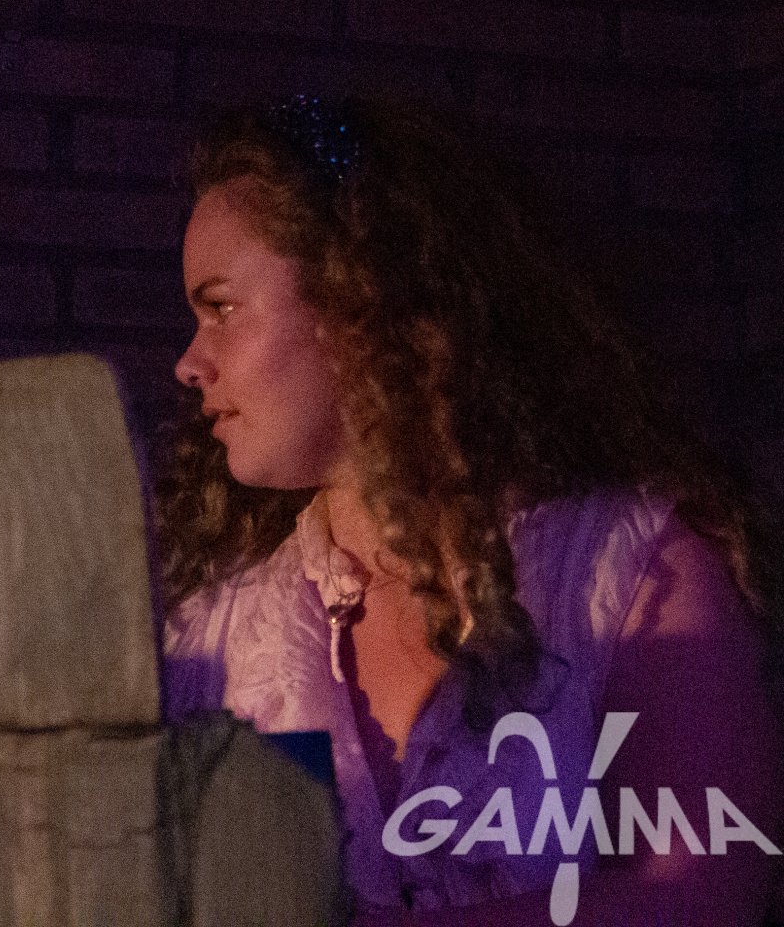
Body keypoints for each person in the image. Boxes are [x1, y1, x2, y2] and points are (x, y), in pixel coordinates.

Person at [157, 95, 782, 925]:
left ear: (360, 301)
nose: (189, 362)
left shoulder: (631, 576)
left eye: (222, 308)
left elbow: (703, 895)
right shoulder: (213, 644)